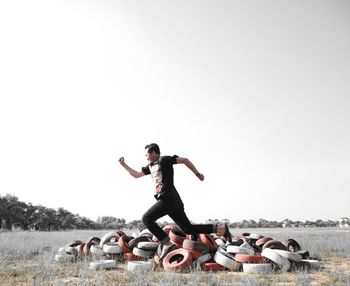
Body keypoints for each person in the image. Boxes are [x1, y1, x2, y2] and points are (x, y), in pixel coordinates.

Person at [118, 143, 232, 261]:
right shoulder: (150, 166)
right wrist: (123, 164)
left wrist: (198, 174)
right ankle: (220, 228)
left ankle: (167, 244)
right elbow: (136, 175)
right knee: (188, 229)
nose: (145, 157)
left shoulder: (164, 160)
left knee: (147, 219)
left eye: (146, 154)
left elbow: (185, 160)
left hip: (167, 198)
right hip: (173, 201)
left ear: (153, 153)